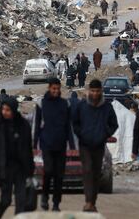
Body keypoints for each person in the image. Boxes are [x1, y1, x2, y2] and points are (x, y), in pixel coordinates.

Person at [73, 79, 118, 213]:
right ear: (88, 91)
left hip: (99, 145)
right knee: (87, 171)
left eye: (97, 91)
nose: (95, 93)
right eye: (92, 91)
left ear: (101, 91)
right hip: (85, 145)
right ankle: (88, 201)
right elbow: (75, 123)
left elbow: (114, 124)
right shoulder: (82, 106)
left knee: (96, 173)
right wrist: (81, 134)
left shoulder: (107, 107)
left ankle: (93, 202)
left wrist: (105, 134)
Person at [0, 97, 34, 217]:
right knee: (6, 200)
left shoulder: (23, 125)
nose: (4, 112)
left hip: (20, 169)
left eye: (8, 110)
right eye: (3, 109)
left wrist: (30, 170)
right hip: (4, 169)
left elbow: (28, 148)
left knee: (21, 202)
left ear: (14, 110)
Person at [34, 78, 73, 211]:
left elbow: (69, 125)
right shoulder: (41, 104)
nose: (56, 91)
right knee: (49, 171)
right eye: (53, 89)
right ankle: (44, 196)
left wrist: (72, 145)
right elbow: (36, 125)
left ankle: (56, 203)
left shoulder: (65, 104)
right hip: (47, 144)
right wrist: (34, 145)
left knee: (59, 176)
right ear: (49, 88)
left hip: (61, 144)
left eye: (58, 89)